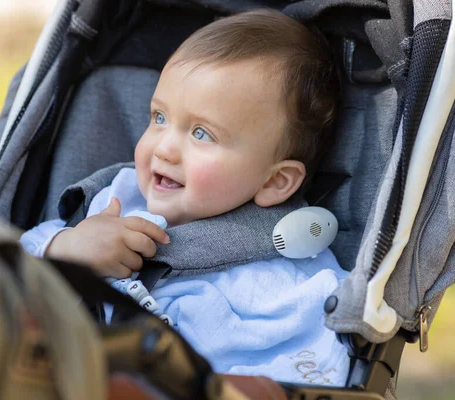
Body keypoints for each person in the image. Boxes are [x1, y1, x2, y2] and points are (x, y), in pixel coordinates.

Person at [21, 9, 349, 386]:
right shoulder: (115, 199)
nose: (164, 149)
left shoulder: (283, 280)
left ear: (275, 182)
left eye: (201, 134)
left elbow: (307, 369)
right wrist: (65, 247)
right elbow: (10, 264)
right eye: (159, 118)